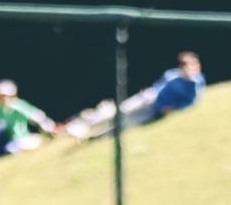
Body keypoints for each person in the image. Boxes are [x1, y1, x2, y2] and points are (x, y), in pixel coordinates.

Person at [63, 51, 205, 140]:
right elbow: (158, 86)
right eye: (186, 67)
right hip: (148, 98)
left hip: (154, 110)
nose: (190, 70)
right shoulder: (172, 74)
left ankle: (95, 138)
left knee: (127, 124)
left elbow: (190, 102)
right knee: (119, 112)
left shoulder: (194, 85)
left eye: (193, 66)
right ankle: (79, 126)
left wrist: (172, 108)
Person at [0, 79, 56, 167]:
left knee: (30, 142)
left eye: (5, 95)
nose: (3, 98)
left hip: (20, 140)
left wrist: (50, 128)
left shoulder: (19, 106)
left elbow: (37, 116)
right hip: (2, 142)